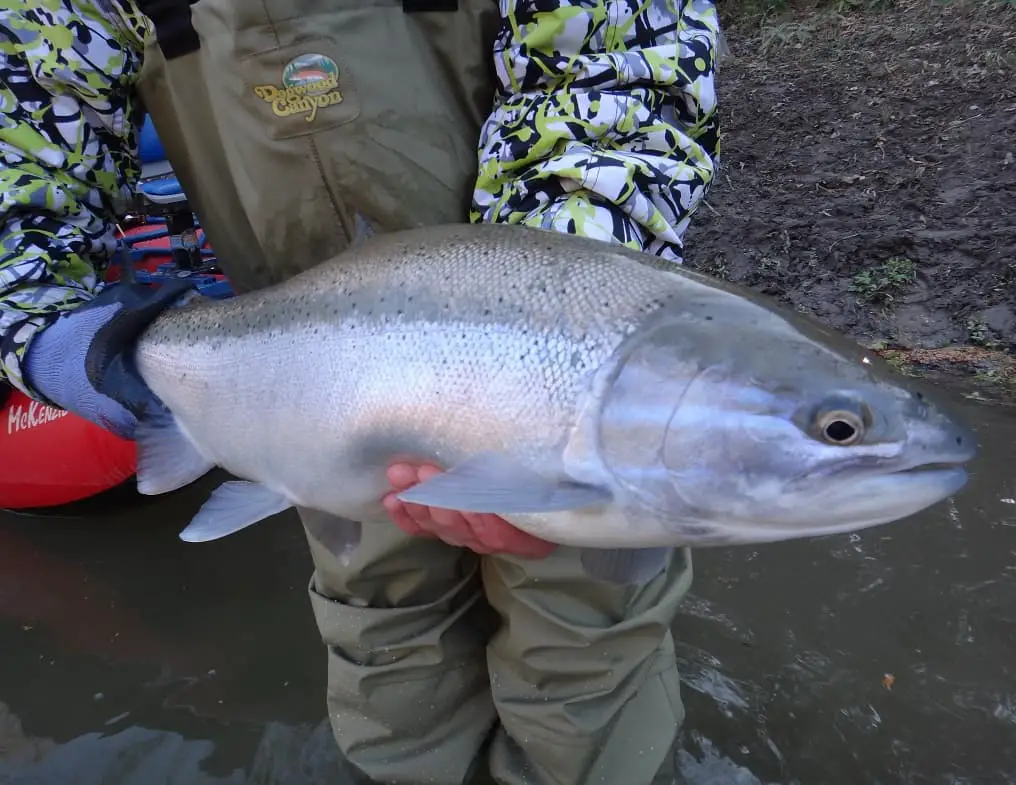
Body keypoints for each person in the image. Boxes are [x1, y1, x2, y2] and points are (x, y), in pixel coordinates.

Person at [0, 1, 721, 783]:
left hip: (559, 376)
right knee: (386, 627)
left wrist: (545, 368)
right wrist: (50, 330)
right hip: (306, 402)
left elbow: (619, 63)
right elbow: (24, 138)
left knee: (584, 623)